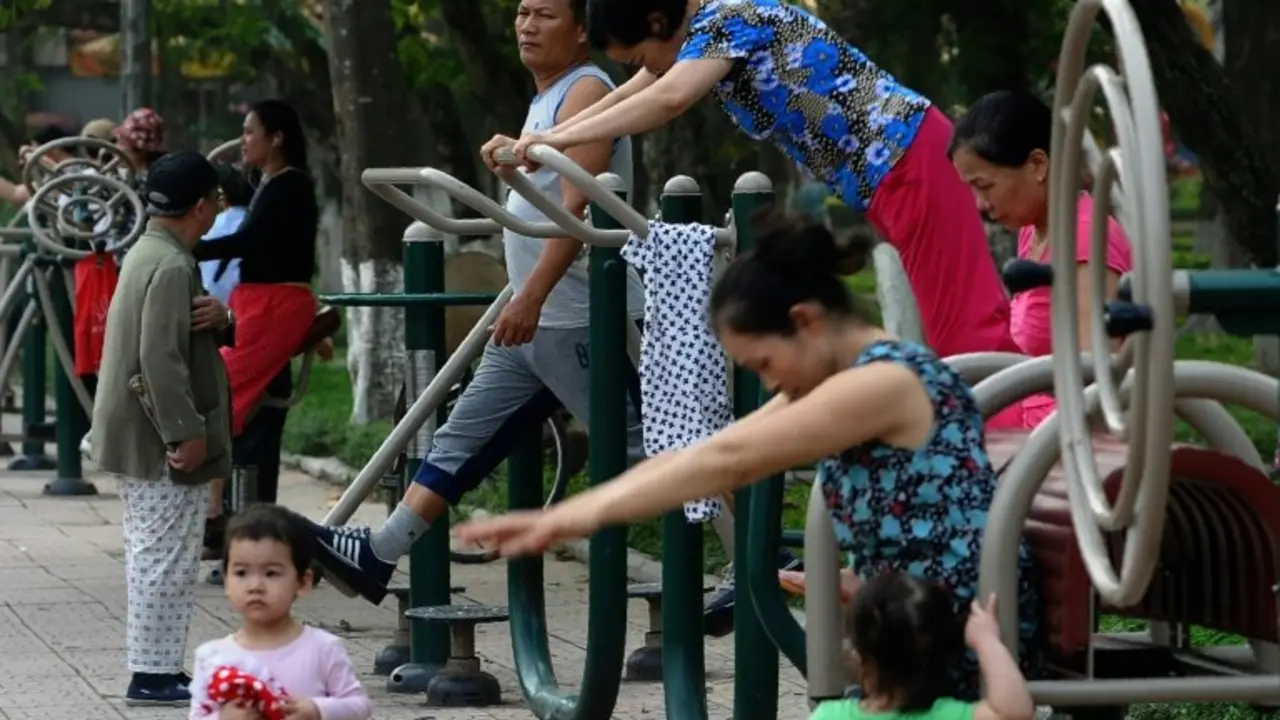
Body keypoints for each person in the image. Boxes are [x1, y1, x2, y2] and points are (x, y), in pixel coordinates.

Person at [454, 212, 1045, 683]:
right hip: (915, 622)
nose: (768, 381)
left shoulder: (883, 382)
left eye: (763, 362)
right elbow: (711, 452)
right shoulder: (854, 376)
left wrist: (563, 520)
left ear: (805, 322)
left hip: (964, 633)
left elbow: (727, 460)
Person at [304, 0, 657, 609]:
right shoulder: (545, 99)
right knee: (461, 436)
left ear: (581, 31)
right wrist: (522, 297)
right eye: (522, 12)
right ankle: (380, 553)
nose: (527, 25)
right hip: (533, 320)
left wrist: (532, 296)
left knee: (652, 455)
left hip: (583, 318)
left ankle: (747, 556)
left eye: (545, 15)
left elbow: (575, 211)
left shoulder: (587, 89)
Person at [491, 0, 1022, 363]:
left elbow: (667, 98)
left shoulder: (728, 20)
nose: (644, 69)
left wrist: (556, 140)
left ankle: (1022, 459)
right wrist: (544, 139)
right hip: (889, 175)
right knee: (956, 325)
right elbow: (643, 87)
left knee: (966, 327)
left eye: (639, 56)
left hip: (908, 159)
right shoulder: (700, 32)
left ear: (656, 19)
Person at [91, 150, 234, 705]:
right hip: (160, 439)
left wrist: (224, 319)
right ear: (200, 207)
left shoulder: (148, 252)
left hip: (138, 431)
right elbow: (161, 358)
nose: (217, 210)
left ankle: (157, 667)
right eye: (216, 200)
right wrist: (185, 431)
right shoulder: (173, 265)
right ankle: (152, 674)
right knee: (165, 558)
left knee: (153, 551)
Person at [948, 90, 1132, 428]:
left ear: (1037, 165)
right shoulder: (1034, 232)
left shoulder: (1085, 239)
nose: (980, 204)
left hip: (1065, 440)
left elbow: (1095, 385)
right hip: (1036, 430)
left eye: (984, 186)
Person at [193, 99, 321, 532]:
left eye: (250, 132)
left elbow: (251, 241)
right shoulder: (270, 182)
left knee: (221, 393)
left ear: (277, 137)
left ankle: (212, 513)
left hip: (276, 305)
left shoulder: (291, 185)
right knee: (234, 400)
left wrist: (191, 246)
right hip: (255, 302)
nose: (243, 140)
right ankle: (221, 511)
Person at [189, 504, 373, 720]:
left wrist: (317, 709)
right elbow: (197, 715)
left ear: (302, 582)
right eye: (241, 573)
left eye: (271, 573)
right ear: (226, 581)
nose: (255, 586)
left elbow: (359, 705)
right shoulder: (212, 657)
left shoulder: (323, 649)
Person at [808, 573, 1034, 720]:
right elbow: (1013, 713)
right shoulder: (948, 715)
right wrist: (987, 642)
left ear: (858, 656)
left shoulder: (829, 716)